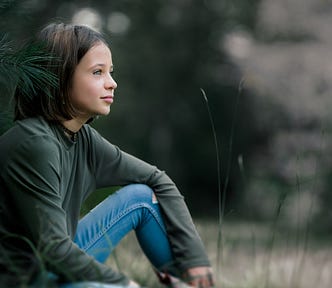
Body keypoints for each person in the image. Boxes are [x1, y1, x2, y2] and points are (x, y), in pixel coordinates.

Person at [0, 22, 215, 288]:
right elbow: (53, 250)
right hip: (25, 281)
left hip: (52, 269)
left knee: (140, 197)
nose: (112, 83)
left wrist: (195, 260)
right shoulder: (33, 143)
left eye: (110, 72)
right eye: (97, 72)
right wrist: (125, 283)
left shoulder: (82, 138)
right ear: (59, 77)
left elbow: (158, 180)